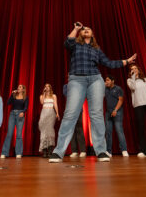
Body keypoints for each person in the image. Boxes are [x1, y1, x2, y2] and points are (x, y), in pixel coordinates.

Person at [49, 22, 136, 163]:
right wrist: (76, 28)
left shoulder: (97, 49)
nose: (85, 30)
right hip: (76, 79)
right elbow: (68, 42)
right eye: (83, 30)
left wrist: (126, 61)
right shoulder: (75, 45)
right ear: (80, 34)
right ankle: (58, 152)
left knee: (96, 114)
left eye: (88, 29)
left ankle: (101, 151)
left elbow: (109, 63)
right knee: (70, 114)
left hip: (95, 79)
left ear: (92, 34)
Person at [0, 85, 28, 158]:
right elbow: (8, 103)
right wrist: (12, 95)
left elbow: (26, 107)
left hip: (20, 114)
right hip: (12, 114)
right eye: (18, 87)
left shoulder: (25, 97)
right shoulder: (14, 96)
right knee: (9, 134)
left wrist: (23, 112)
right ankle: (4, 153)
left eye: (20, 87)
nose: (18, 88)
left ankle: (18, 153)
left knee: (19, 134)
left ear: (23, 90)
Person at [104, 75, 128, 157]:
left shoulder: (118, 89)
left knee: (119, 131)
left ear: (112, 81)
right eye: (105, 80)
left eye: (108, 80)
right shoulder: (105, 89)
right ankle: (109, 151)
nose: (106, 82)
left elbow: (121, 101)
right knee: (108, 132)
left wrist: (115, 110)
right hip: (108, 113)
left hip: (117, 112)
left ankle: (124, 150)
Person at [63, 84, 87, 158]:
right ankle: (74, 151)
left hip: (78, 110)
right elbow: (66, 93)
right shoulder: (66, 86)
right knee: (71, 131)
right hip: (70, 111)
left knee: (79, 129)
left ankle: (83, 151)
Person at [38, 84, 60, 158]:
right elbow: (41, 102)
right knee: (44, 132)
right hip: (44, 113)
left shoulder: (54, 96)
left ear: (50, 88)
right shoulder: (42, 96)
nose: (46, 87)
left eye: (48, 86)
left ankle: (50, 151)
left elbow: (55, 104)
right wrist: (44, 93)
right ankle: (44, 151)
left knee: (50, 131)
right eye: (45, 86)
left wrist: (57, 113)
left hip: (51, 113)